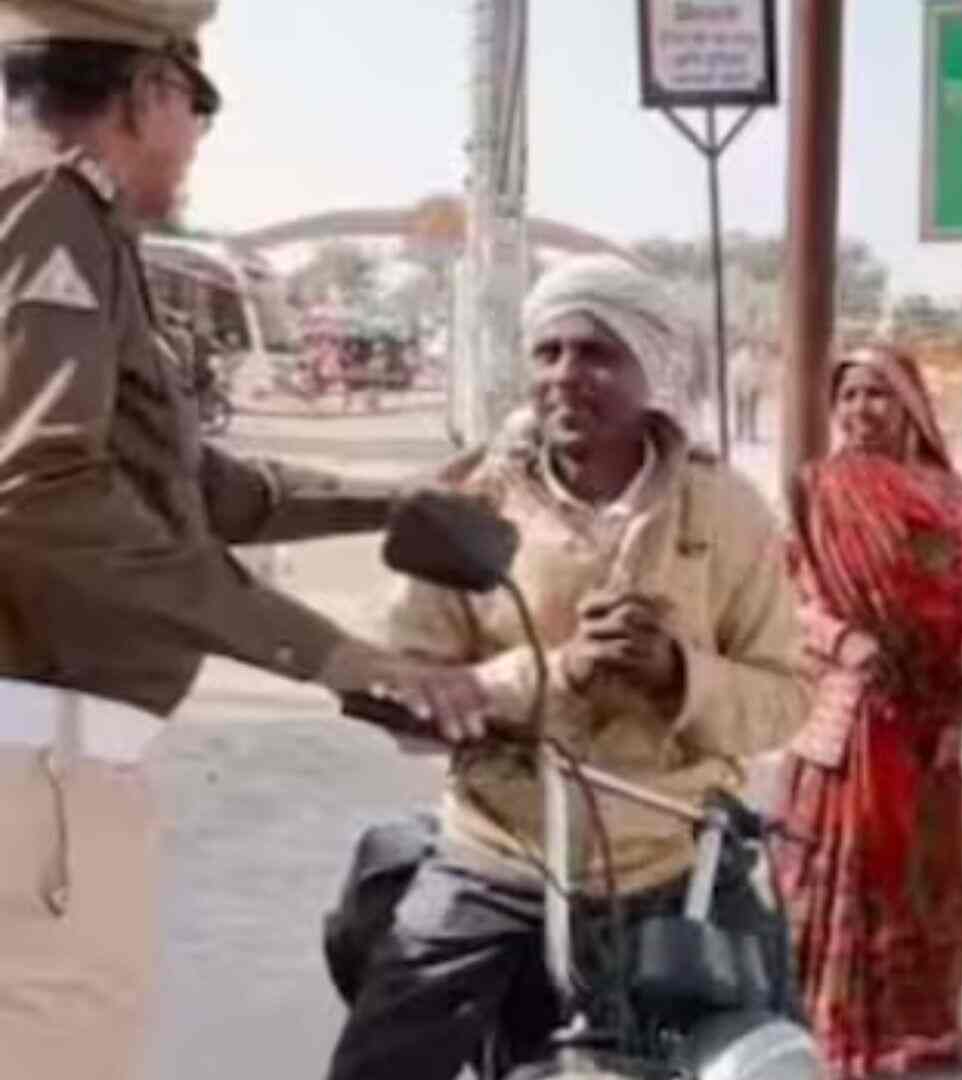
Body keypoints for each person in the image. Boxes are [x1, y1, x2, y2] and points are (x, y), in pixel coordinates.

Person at [0, 4, 488, 1075]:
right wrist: (329, 651)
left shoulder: (79, 227)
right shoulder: (52, 211)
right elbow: (46, 493)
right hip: (38, 763)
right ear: (151, 93)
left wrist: (393, 499)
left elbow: (186, 485)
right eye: (199, 109)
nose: (196, 145)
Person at [326, 254, 811, 1080]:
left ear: (650, 369)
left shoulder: (727, 511)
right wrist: (558, 672)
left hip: (674, 860)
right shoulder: (470, 501)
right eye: (548, 353)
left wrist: (677, 675)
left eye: (596, 354)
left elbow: (787, 698)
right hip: (495, 855)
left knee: (774, 1058)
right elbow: (401, 690)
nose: (564, 376)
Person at [774, 345, 962, 1078]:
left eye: (877, 395)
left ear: (910, 406)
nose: (860, 411)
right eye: (849, 397)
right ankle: (833, 1031)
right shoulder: (818, 490)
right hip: (852, 705)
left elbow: (960, 603)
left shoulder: (947, 497)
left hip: (930, 708)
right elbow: (791, 599)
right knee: (842, 865)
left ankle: (917, 1030)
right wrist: (846, 640)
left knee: (922, 874)